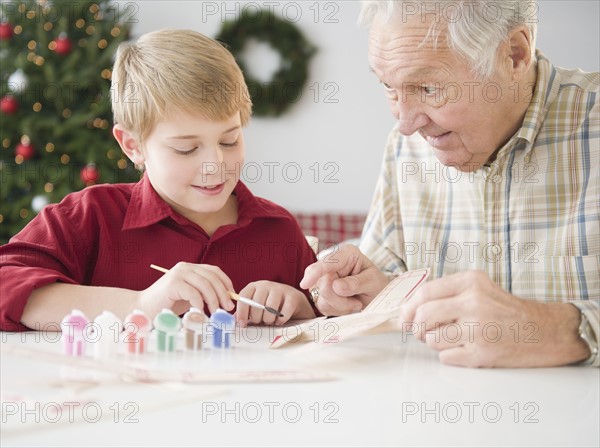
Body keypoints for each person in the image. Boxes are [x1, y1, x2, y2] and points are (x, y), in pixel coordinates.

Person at [301, 0, 599, 368]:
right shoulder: (407, 147)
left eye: (428, 87)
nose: (406, 123)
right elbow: (386, 288)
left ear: (515, 54)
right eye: (389, 88)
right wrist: (370, 296)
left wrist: (559, 332)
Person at [0, 29, 317, 332]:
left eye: (229, 141)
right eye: (186, 148)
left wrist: (300, 308)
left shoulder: (279, 231)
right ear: (132, 146)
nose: (214, 166)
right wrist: (142, 303)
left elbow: (328, 321)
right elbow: (5, 284)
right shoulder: (89, 218)